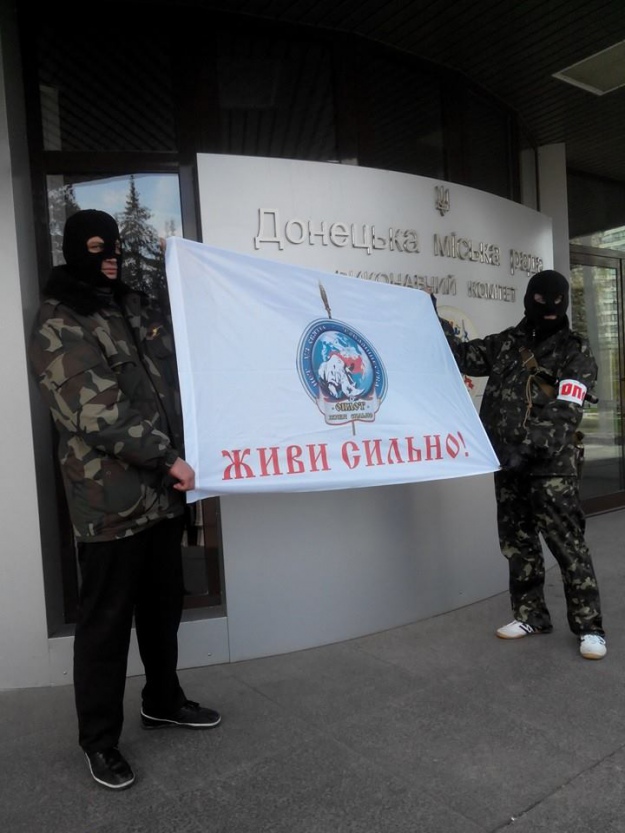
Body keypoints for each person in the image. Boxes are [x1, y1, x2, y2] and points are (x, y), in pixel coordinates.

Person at [28, 210, 221, 791]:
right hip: (109, 501)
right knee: (106, 625)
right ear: (73, 251)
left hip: (162, 494)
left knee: (162, 611)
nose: (110, 256)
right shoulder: (59, 320)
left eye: (114, 245)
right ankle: (99, 741)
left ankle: (162, 700)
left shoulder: (132, 307)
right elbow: (95, 412)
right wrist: (169, 458)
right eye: (97, 247)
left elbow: (182, 374)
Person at [434, 269, 606, 660]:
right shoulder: (507, 342)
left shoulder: (575, 349)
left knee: (567, 546)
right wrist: (432, 319)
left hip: (551, 469)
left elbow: (567, 409)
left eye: (557, 301)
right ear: (529, 300)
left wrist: (529, 448)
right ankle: (531, 616)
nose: (550, 308)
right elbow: (463, 356)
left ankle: (589, 627)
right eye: (542, 301)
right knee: (518, 543)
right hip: (508, 465)